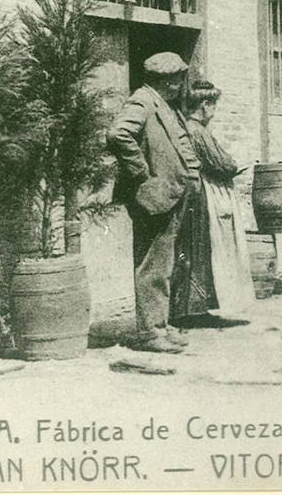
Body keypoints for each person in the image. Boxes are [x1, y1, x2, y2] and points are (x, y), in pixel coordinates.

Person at [106, 52, 212, 352]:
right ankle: (150, 333)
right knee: (153, 266)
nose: (181, 84)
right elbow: (118, 134)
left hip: (174, 194)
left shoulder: (162, 103)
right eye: (178, 78)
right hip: (156, 195)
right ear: (165, 80)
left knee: (166, 265)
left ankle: (161, 325)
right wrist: (142, 172)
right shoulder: (142, 100)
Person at [185, 80, 255, 316]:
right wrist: (236, 165)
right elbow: (221, 164)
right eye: (213, 107)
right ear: (205, 105)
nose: (214, 113)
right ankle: (198, 309)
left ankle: (196, 307)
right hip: (209, 193)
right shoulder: (198, 132)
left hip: (198, 192)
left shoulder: (187, 128)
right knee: (213, 248)